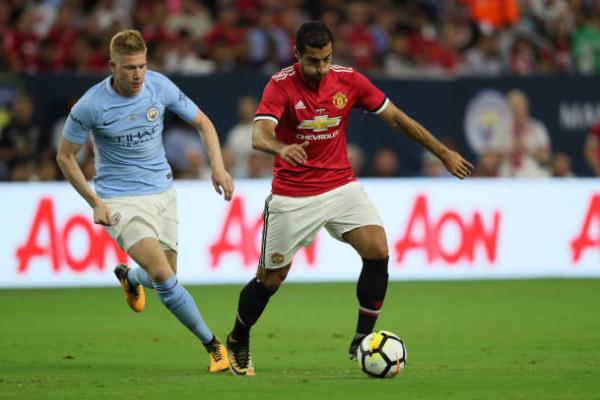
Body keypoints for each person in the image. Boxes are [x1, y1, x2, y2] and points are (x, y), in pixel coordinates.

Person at [225, 21, 474, 376]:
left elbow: (397, 118)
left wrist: (443, 153)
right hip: (294, 194)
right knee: (270, 279)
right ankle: (238, 338)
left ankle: (362, 339)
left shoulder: (349, 80)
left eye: (326, 59)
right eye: (313, 61)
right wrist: (282, 147)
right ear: (297, 55)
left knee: (378, 249)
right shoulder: (280, 85)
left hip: (341, 185)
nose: (320, 68)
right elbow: (259, 134)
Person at [55, 29, 234, 373]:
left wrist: (218, 167)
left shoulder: (159, 86)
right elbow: (65, 156)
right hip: (119, 200)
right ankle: (214, 346)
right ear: (113, 66)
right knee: (164, 276)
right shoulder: (90, 105)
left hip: (163, 193)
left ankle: (131, 277)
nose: (138, 75)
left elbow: (203, 123)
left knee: (165, 277)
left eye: (142, 66)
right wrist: (94, 201)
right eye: (129, 68)